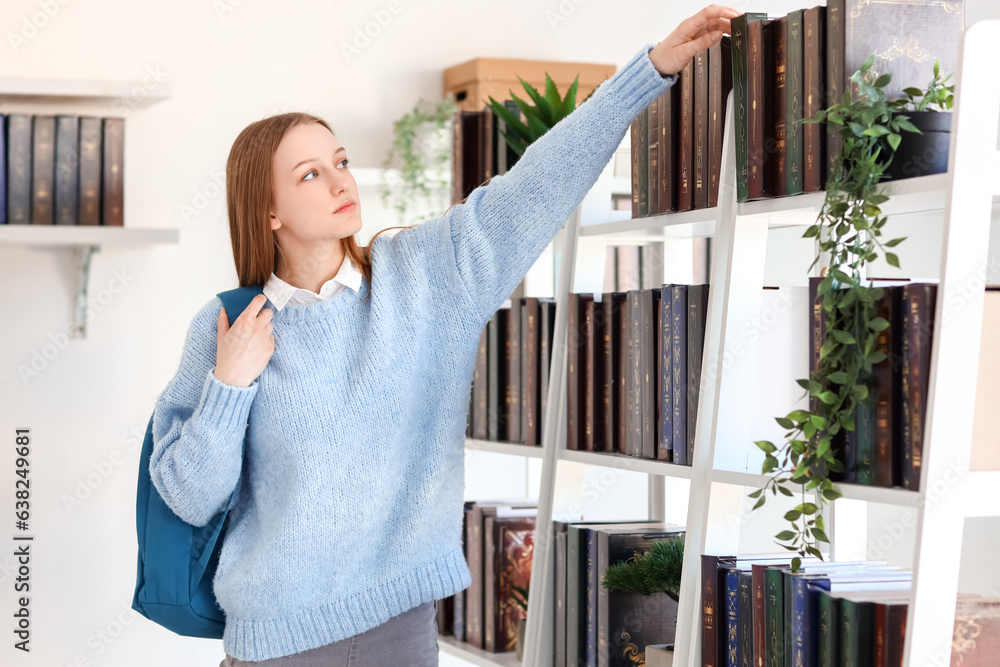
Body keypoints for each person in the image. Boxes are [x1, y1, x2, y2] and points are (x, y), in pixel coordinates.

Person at [148, 4, 740, 665]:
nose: (341, 179)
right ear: (268, 210)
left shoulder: (427, 279)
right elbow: (189, 495)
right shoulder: (228, 325)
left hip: (398, 637)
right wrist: (229, 384)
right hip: (273, 646)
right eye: (310, 173)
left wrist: (648, 71)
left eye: (339, 159)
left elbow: (534, 186)